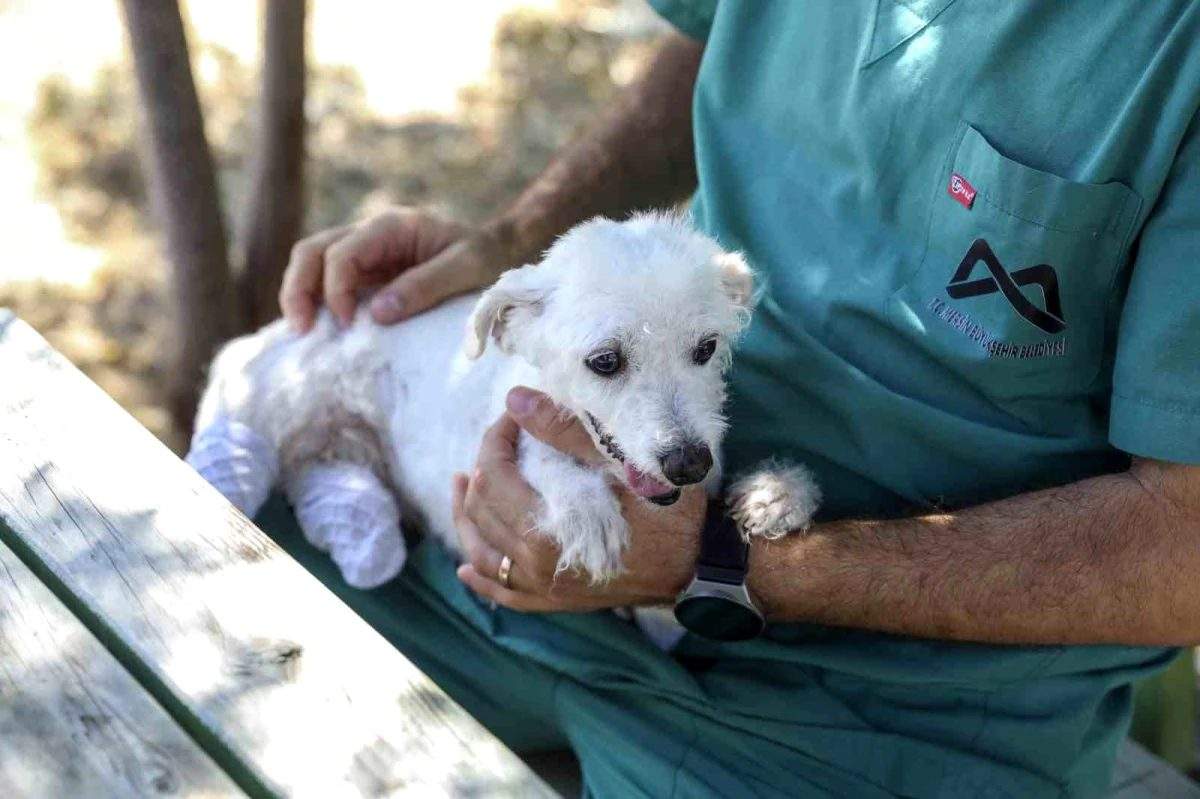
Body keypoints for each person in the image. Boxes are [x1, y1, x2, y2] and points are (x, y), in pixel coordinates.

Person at [262, 3, 1200, 796]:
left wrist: (720, 563)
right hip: (534, 572)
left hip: (890, 715)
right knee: (219, 591)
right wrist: (516, 245)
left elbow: (1186, 550)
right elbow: (718, 36)